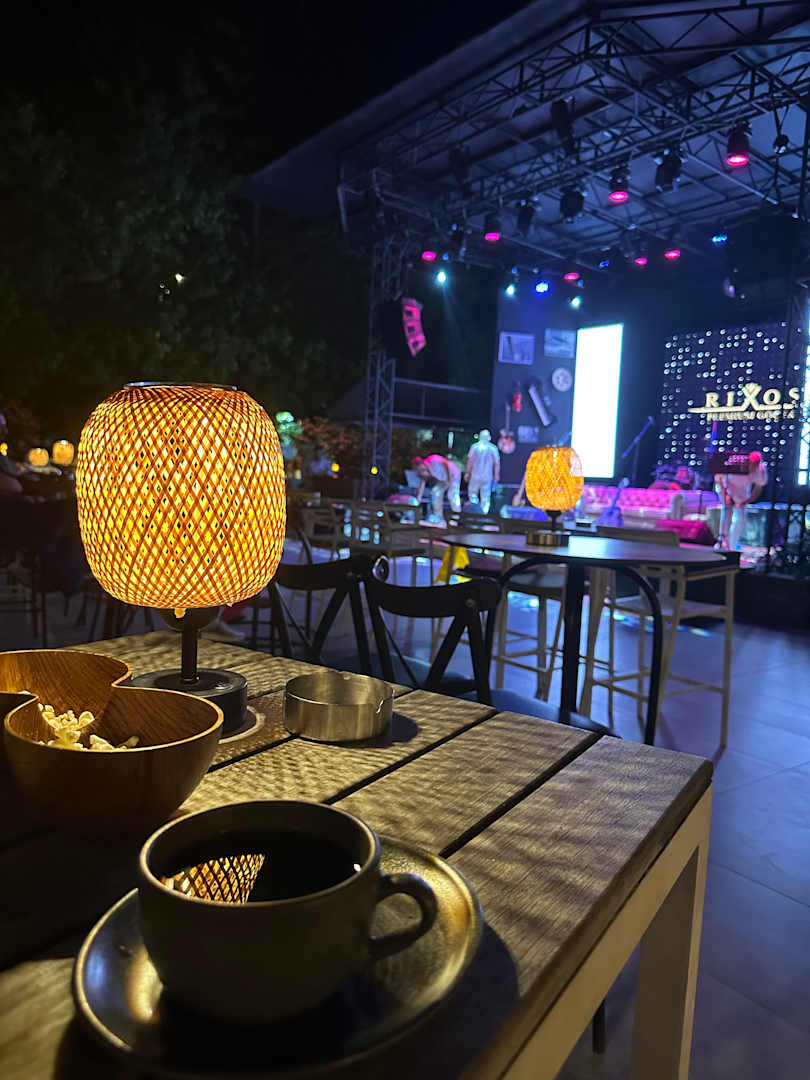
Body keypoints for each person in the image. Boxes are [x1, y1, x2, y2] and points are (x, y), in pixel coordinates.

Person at [714, 451, 767, 551]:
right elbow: (720, 479)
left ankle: (732, 544)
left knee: (741, 518)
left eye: (756, 464)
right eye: (752, 464)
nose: (753, 467)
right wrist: (726, 496)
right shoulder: (735, 463)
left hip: (742, 491)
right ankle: (722, 540)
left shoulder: (760, 470)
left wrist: (746, 501)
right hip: (725, 486)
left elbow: (758, 488)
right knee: (727, 511)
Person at [412, 454, 462, 522]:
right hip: (443, 480)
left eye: (420, 469)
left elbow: (446, 463)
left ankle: (456, 517)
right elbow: (423, 482)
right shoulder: (427, 470)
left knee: (452, 494)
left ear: (422, 463)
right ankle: (438, 516)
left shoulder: (433, 459)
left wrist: (449, 477)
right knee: (435, 492)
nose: (421, 471)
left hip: (453, 475)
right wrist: (419, 498)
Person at [465, 430, 500, 514]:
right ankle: (483, 515)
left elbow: (470, 461)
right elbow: (497, 463)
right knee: (485, 497)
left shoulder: (475, 447)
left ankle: (474, 513)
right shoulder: (493, 448)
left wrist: (467, 472)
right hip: (487, 476)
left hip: (475, 475)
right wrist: (496, 475)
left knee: (473, 494)